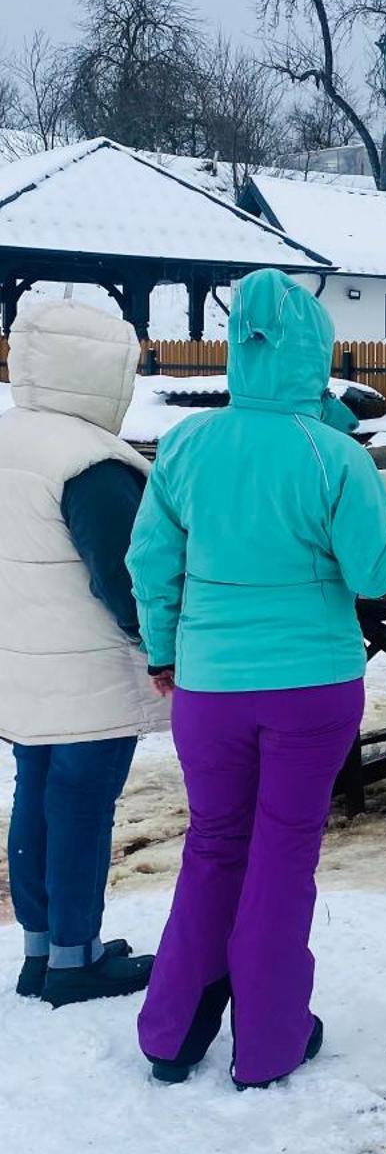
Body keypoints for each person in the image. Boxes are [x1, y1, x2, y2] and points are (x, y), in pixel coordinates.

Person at [128, 270, 386, 1087]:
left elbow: (151, 559)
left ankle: (171, 1035)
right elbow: (371, 572)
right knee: (283, 857)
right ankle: (267, 1044)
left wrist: (162, 650)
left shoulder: (185, 445)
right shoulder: (335, 456)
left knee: (214, 846)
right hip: (311, 688)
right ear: (314, 356)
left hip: (209, 688)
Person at [0, 302, 159, 1007]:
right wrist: (161, 647)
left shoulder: (11, 439)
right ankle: (75, 962)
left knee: (36, 793)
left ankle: (46, 949)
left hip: (24, 656)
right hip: (87, 667)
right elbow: (129, 579)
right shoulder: (92, 462)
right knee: (82, 808)